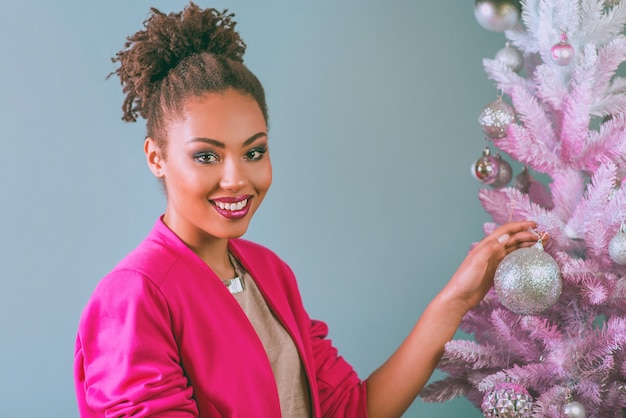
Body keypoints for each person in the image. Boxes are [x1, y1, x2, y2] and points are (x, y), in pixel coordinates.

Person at [73, 4, 539, 417]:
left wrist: (454, 300)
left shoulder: (269, 273)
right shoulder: (134, 295)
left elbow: (354, 409)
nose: (236, 178)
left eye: (253, 152)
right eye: (207, 156)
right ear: (156, 157)